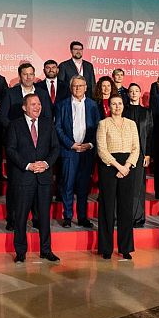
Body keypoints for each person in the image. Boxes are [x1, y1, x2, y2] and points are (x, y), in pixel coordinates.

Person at [7, 93, 60, 263]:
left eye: (39, 104)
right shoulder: (14, 125)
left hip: (43, 178)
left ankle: (46, 250)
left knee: (44, 217)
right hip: (24, 177)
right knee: (21, 217)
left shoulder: (47, 123)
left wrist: (45, 163)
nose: (37, 107)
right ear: (24, 107)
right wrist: (28, 165)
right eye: (33, 104)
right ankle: (21, 252)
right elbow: (11, 150)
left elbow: (55, 148)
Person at [0, 63, 52, 230]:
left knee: (38, 186)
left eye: (31, 74)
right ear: (19, 76)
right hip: (18, 147)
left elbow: (48, 117)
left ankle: (37, 219)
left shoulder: (42, 94)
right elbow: (2, 117)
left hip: (40, 147)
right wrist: (19, 131)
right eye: (25, 74)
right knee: (15, 186)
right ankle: (13, 219)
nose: (28, 77)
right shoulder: (11, 93)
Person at [96, 95, 140, 261]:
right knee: (107, 208)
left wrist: (127, 166)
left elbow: (136, 148)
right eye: (113, 104)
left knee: (126, 208)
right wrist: (118, 166)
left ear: (123, 105)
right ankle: (106, 248)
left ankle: (125, 248)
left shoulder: (131, 124)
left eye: (119, 103)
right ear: (109, 106)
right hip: (109, 167)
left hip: (127, 168)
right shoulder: (103, 123)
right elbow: (101, 149)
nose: (117, 106)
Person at [56, 75, 100, 229]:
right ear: (70, 88)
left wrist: (90, 144)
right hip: (69, 151)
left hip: (87, 152)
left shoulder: (93, 105)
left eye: (81, 86)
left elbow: (98, 128)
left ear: (86, 87)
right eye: (75, 86)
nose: (78, 88)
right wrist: (71, 144)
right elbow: (58, 128)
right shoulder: (62, 105)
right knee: (67, 185)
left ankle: (82, 217)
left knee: (83, 187)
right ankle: (67, 216)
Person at [123, 83, 153, 227]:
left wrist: (148, 154)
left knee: (138, 186)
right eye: (131, 91)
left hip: (141, 154)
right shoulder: (123, 111)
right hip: (125, 153)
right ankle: (124, 216)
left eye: (136, 91)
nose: (134, 93)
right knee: (125, 184)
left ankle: (138, 217)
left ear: (140, 93)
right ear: (128, 94)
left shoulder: (147, 112)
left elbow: (150, 134)